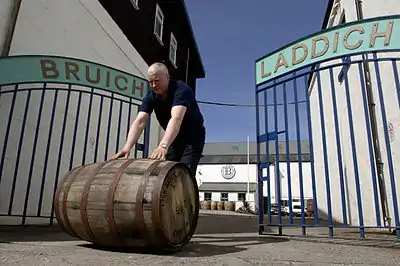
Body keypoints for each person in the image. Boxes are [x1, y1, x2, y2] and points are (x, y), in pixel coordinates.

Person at [111, 62, 206, 177]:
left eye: (157, 81)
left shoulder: (181, 90)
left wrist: (163, 145)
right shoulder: (151, 95)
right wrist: (127, 147)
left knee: (184, 173)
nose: (153, 85)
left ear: (167, 76)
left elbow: (176, 118)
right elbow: (140, 121)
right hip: (175, 137)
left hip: (193, 137)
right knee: (169, 172)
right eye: (150, 82)